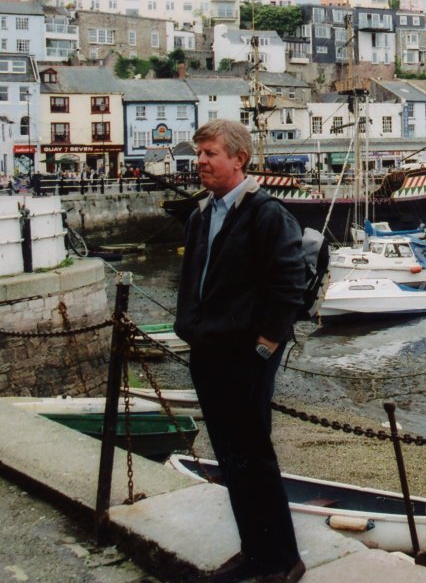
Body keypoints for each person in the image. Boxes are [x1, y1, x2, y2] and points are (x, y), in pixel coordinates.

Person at [174, 119, 307, 583]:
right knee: (230, 458)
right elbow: (193, 279)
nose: (201, 162)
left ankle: (284, 559)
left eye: (210, 153)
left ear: (239, 159)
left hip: (246, 356)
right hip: (208, 351)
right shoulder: (202, 215)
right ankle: (254, 551)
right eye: (199, 153)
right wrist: (189, 325)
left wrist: (266, 345)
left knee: (254, 455)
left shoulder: (267, 215)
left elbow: (290, 282)